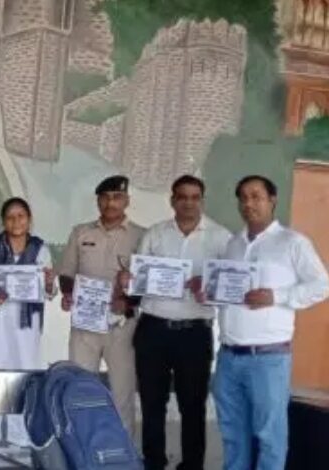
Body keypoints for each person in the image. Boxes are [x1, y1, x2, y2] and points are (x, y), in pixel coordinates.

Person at [211, 175, 329, 470]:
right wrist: (210, 291)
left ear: (272, 200)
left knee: (270, 437)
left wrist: (277, 296)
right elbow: (229, 294)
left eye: (256, 196)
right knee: (232, 434)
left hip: (268, 359)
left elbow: (322, 285)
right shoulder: (233, 244)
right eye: (243, 197)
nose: (248, 203)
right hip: (228, 356)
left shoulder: (293, 242)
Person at [128, 175, 231, 470]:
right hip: (153, 329)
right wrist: (129, 281)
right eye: (182, 197)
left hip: (194, 333)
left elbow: (229, 287)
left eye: (195, 197)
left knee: (193, 405)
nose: (188, 203)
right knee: (152, 403)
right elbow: (137, 280)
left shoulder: (221, 238)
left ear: (202, 201)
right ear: (172, 200)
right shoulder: (155, 234)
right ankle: (154, 462)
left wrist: (209, 286)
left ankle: (192, 464)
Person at [58, 175, 144, 437]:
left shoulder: (142, 236)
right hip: (85, 325)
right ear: (98, 201)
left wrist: (128, 300)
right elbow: (67, 272)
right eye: (105, 197)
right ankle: (84, 447)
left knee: (122, 392)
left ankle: (123, 450)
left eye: (117, 197)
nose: (110, 203)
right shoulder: (80, 232)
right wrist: (68, 293)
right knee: (81, 389)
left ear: (127, 201)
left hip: (122, 326)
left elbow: (147, 283)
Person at [0, 197, 56, 447]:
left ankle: (20, 435)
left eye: (21, 216)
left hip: (25, 323)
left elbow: (49, 291)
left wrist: (48, 282)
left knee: (23, 373)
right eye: (10, 217)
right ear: (3, 221)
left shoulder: (41, 249)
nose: (16, 221)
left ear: (29, 219)